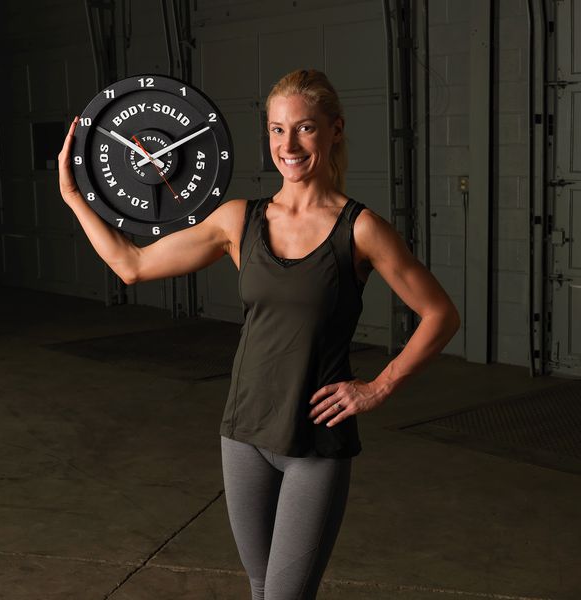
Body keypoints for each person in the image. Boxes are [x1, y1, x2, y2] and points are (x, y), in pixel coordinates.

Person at [59, 68, 460, 600]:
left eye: (305, 128)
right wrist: (74, 196)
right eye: (276, 129)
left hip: (314, 443)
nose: (288, 145)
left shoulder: (359, 229)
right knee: (260, 588)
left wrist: (379, 387)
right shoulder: (237, 221)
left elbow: (440, 315)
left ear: (335, 130)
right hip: (243, 434)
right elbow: (131, 265)